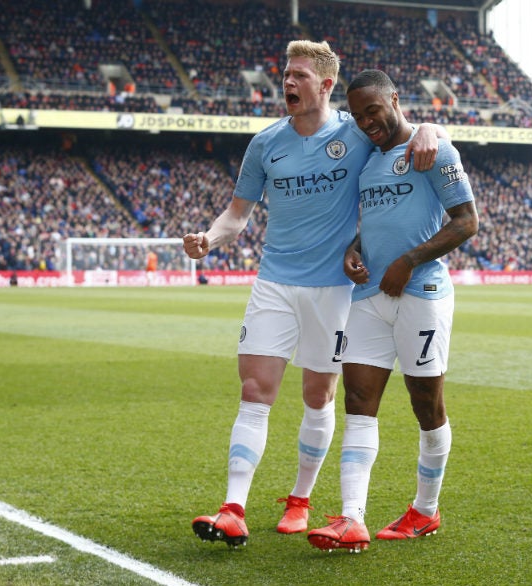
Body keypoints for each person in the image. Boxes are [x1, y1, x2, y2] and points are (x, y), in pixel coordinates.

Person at [182, 41, 447, 548]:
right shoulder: (265, 143)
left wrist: (434, 128)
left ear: (326, 85)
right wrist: (208, 239)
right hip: (274, 282)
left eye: (299, 75)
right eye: (285, 74)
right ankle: (233, 508)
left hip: (335, 289)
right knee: (255, 391)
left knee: (317, 395)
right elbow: (237, 214)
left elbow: (405, 134)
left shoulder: (356, 134)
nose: (287, 82)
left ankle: (301, 500)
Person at [307, 69, 478, 552]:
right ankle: (351, 518)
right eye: (358, 115)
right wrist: (353, 250)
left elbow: (467, 222)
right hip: (368, 298)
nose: (365, 122)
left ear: (394, 100)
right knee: (358, 402)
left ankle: (426, 511)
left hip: (421, 293)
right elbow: (375, 221)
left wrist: (408, 260)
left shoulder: (433, 150)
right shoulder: (367, 163)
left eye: (372, 111)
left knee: (426, 405)